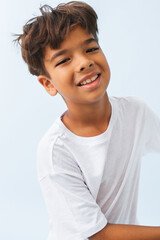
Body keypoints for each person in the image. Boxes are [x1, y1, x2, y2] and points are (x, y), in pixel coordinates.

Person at [15, 1, 160, 239]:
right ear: (48, 84)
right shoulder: (55, 152)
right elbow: (97, 234)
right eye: (63, 60)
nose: (84, 62)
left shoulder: (136, 112)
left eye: (90, 49)